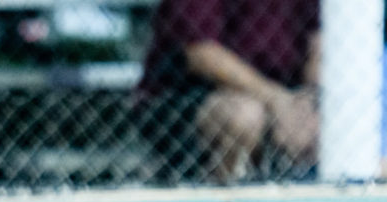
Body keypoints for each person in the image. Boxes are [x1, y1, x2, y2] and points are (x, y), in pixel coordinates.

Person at [136, 0, 321, 183]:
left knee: (319, 124)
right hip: (189, 97)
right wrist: (277, 100)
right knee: (245, 116)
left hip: (283, 93)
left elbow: (318, 43)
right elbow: (200, 53)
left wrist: (306, 102)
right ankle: (221, 200)